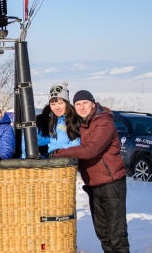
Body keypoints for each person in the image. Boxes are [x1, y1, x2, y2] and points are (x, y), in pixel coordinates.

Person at [51, 90, 130, 253]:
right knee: (104, 235)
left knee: (116, 236)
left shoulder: (104, 122)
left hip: (112, 184)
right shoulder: (80, 124)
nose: (82, 107)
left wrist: (57, 153)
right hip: (93, 185)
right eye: (78, 104)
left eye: (85, 103)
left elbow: (90, 150)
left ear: (93, 104)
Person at [21, 81, 80, 158]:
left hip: (59, 164)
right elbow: (25, 140)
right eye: (53, 104)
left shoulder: (74, 121)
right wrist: (31, 154)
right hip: (34, 164)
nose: (57, 107)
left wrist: (50, 149)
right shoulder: (40, 121)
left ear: (67, 103)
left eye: (60, 103)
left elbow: (76, 145)